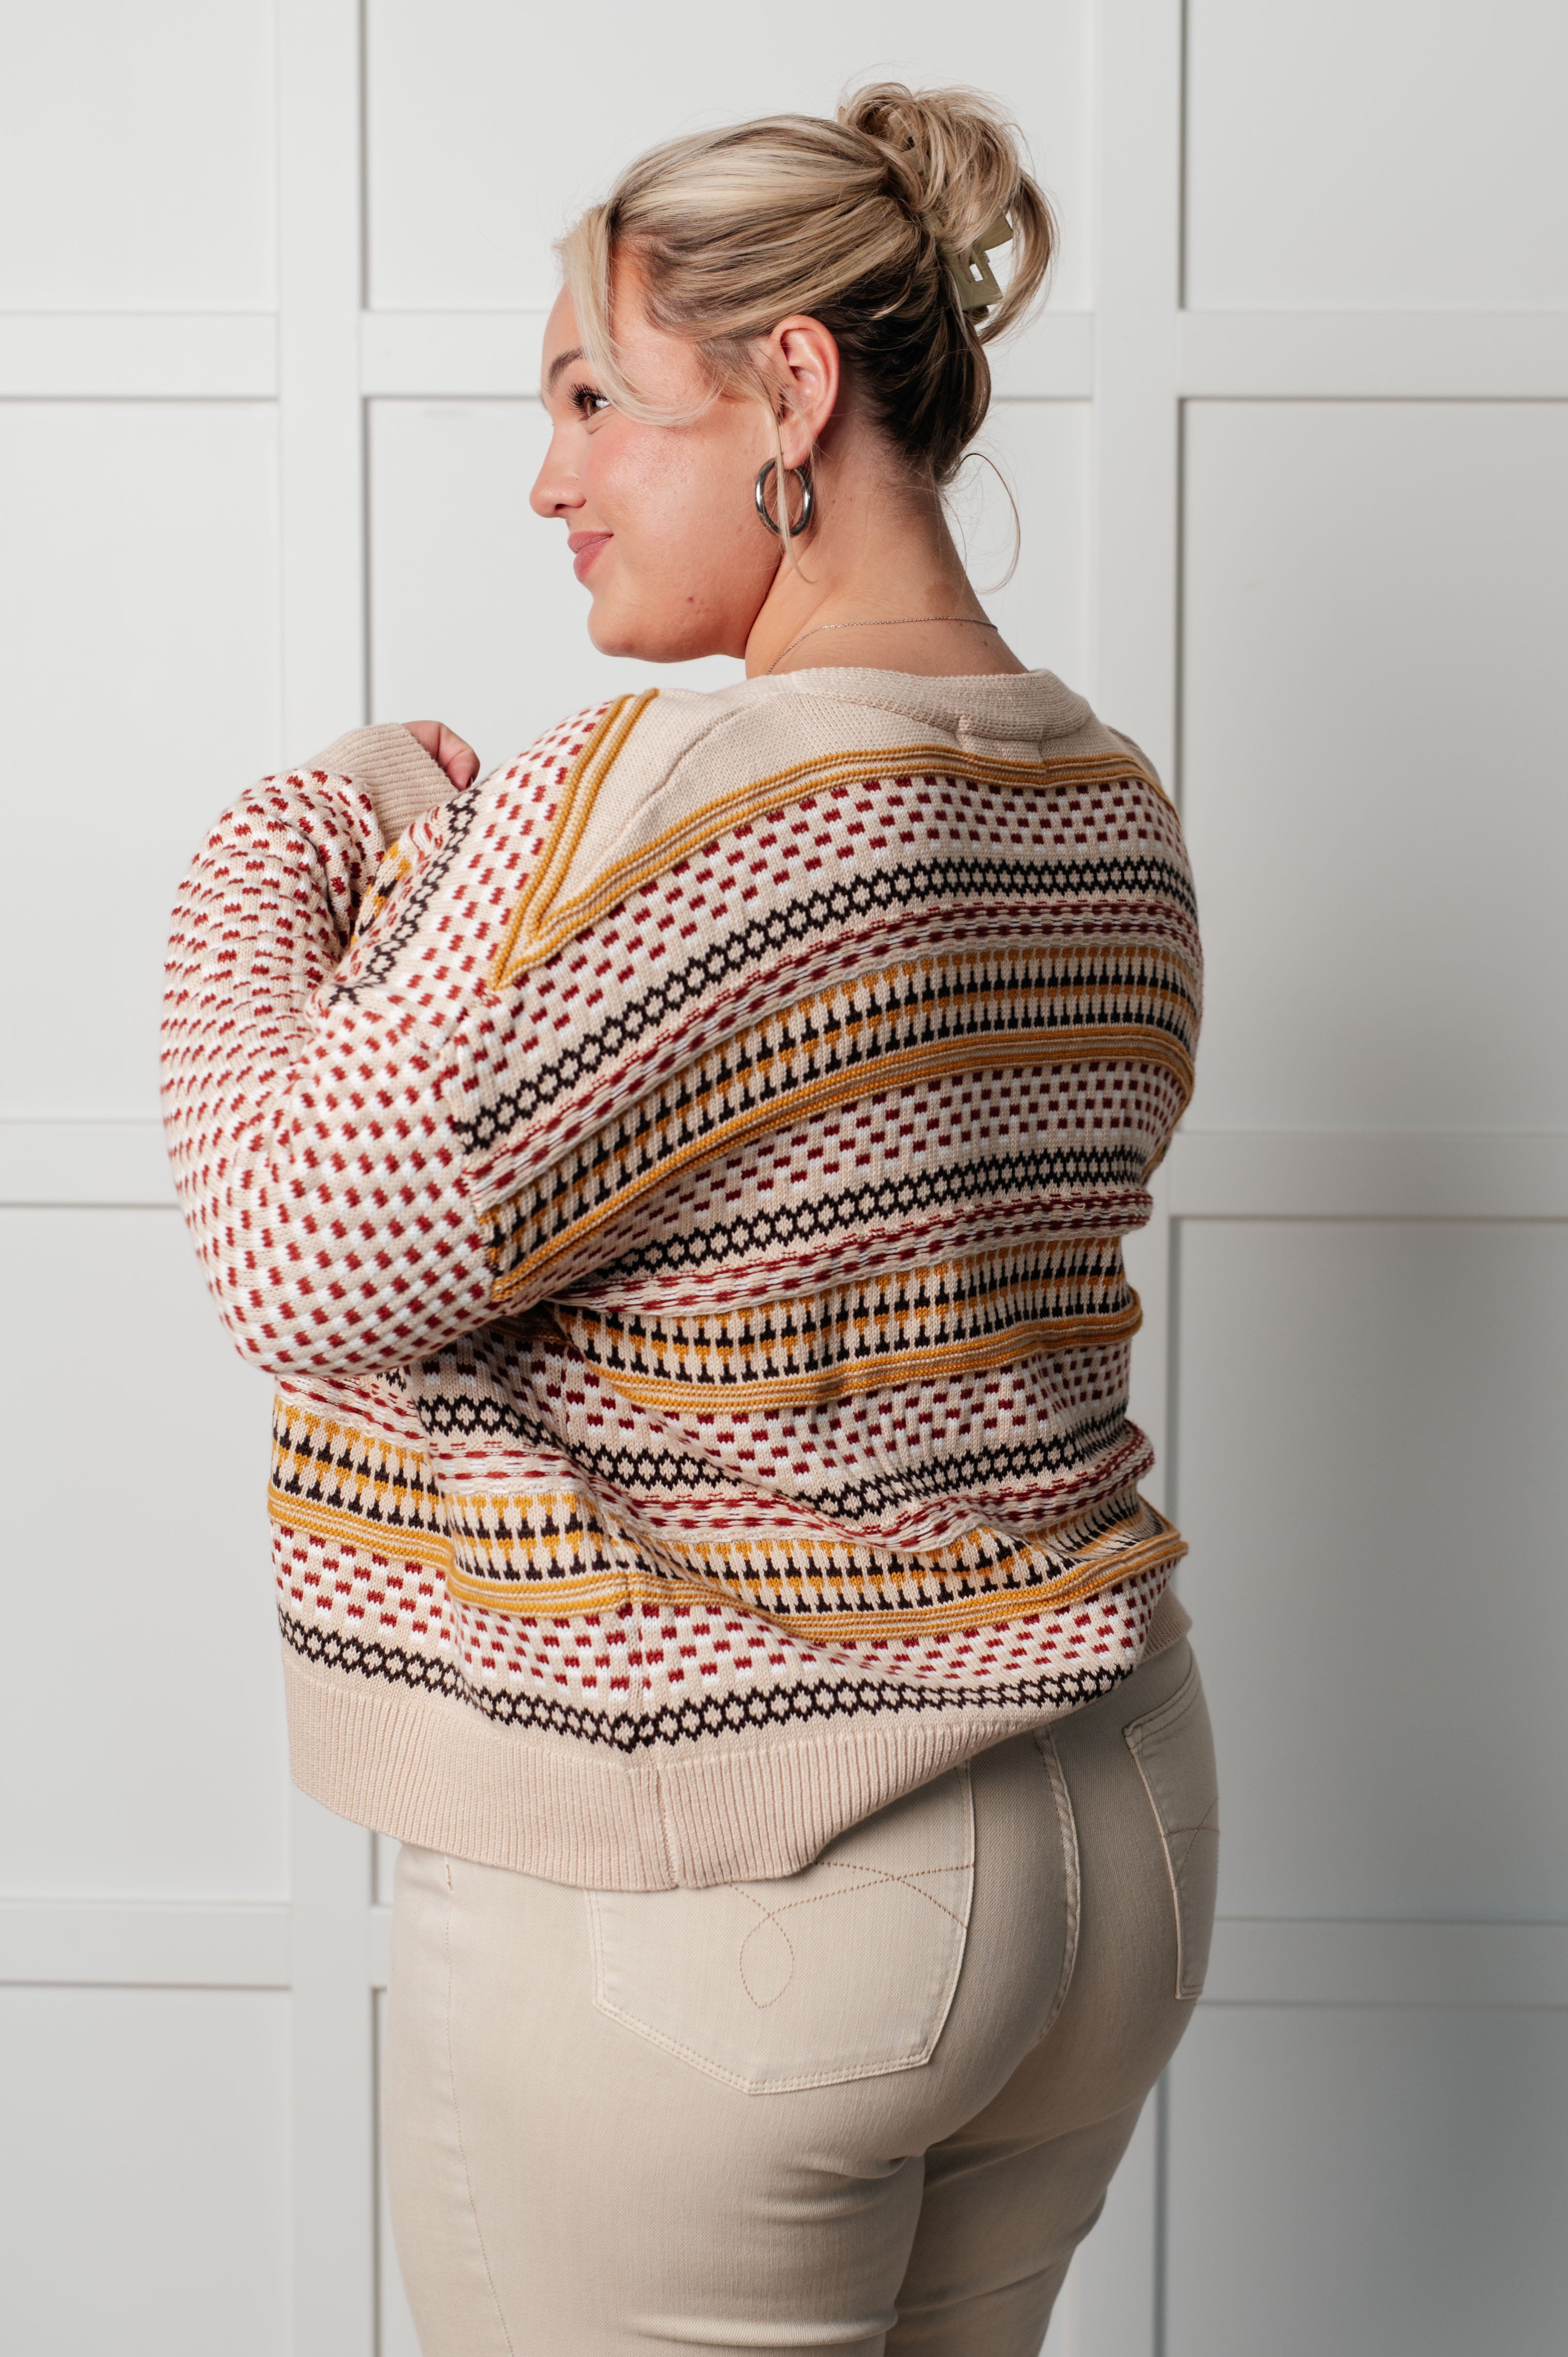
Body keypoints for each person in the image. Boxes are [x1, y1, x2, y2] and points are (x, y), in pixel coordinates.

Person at [162, 83, 1216, 2357]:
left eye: (588, 400)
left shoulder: (674, 797)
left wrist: (297, 832)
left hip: (728, 1871)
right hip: (1103, 1818)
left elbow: (293, 1246)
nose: (547, 480)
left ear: (789, 389)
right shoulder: (1105, 800)